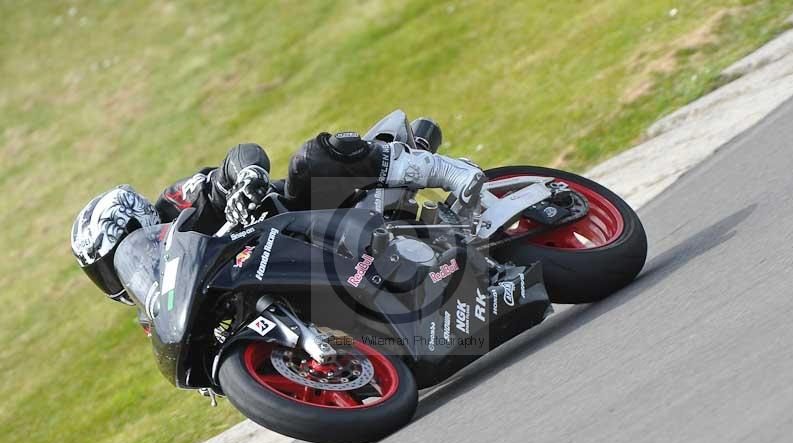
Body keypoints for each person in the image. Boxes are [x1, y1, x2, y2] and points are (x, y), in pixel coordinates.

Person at [71, 116, 487, 304]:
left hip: (302, 216)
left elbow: (239, 157)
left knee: (309, 160)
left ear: (137, 220)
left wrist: (247, 176)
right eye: (105, 273)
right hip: (289, 276)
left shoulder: (177, 205)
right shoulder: (163, 303)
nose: (117, 277)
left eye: (114, 263)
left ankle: (449, 172)